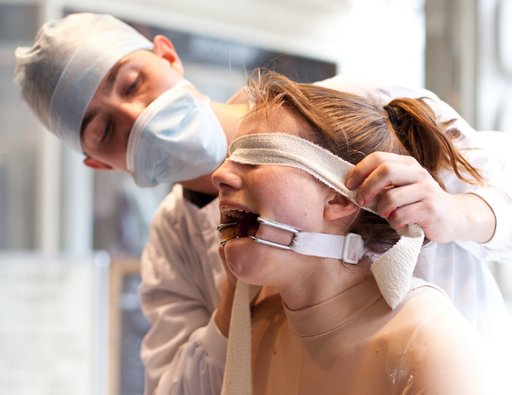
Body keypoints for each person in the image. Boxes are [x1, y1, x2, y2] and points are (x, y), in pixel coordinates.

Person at [13, 12, 512, 395]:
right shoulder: (178, 249)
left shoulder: (349, 113)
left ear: (167, 55)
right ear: (97, 163)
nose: (135, 115)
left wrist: (457, 213)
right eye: (102, 129)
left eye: (131, 82)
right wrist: (239, 278)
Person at [212, 70, 496, 394]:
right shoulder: (254, 333)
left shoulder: (428, 343)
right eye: (231, 158)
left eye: (258, 157)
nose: (219, 176)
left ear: (338, 196)